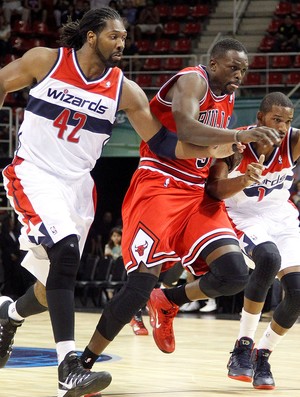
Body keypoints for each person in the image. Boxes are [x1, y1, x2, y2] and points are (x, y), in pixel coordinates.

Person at [0, 6, 229, 397]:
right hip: (35, 173)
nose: (122, 43)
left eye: (124, 38)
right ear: (91, 36)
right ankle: (69, 368)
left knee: (46, 287)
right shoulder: (46, 60)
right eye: (114, 36)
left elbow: (162, 143)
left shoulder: (125, 89)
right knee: (67, 256)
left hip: (78, 188)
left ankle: (8, 314)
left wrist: (224, 142)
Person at [77, 37, 280, 385]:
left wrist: (240, 174)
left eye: (244, 69)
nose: (240, 74)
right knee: (139, 285)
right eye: (234, 67)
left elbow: (215, 175)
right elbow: (185, 127)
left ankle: (169, 300)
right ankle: (83, 364)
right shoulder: (193, 79)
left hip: (196, 193)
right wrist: (238, 137)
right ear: (214, 63)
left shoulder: (227, 97)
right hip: (160, 184)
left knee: (233, 274)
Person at [206, 91, 300, 390]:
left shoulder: (294, 140)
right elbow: (214, 191)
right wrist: (243, 179)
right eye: (276, 119)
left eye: (287, 121)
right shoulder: (234, 145)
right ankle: (242, 346)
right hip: (243, 216)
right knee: (269, 258)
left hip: (281, 218)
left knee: (298, 293)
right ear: (260, 118)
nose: (282, 127)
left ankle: (263, 354)